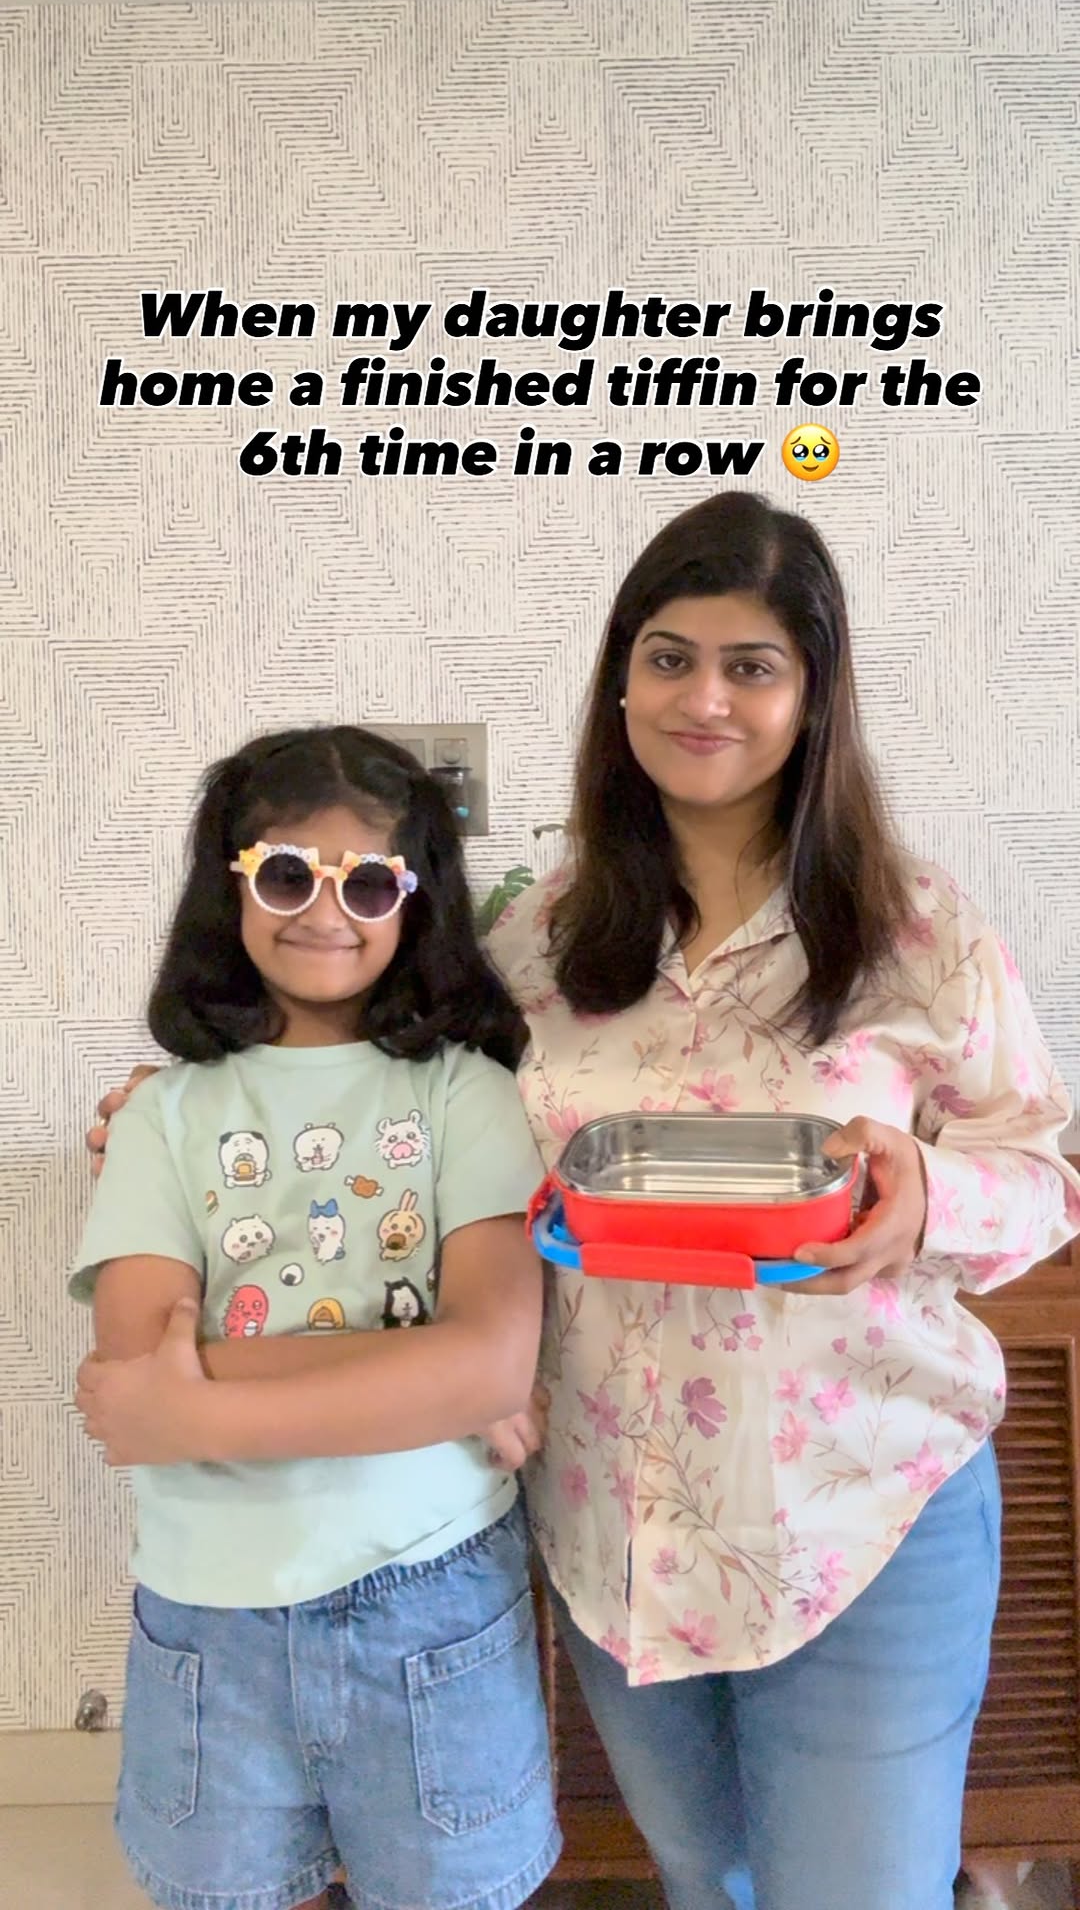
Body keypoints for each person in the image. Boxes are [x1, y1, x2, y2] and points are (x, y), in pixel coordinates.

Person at [84, 494, 1080, 1910]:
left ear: (813, 697)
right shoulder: (534, 934)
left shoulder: (919, 932)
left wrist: (930, 1195)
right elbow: (385, 1092)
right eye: (670, 658)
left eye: (752, 666)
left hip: (858, 1509)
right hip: (615, 1523)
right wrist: (188, 1098)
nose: (704, 700)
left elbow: (1044, 1172)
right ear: (621, 682)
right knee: (702, 1875)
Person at [70, 726, 561, 1910]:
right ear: (232, 885)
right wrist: (424, 1379)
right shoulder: (163, 1116)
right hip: (210, 1613)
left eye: (368, 884)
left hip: (432, 1595)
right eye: (288, 875)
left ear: (415, 900)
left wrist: (204, 1403)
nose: (325, 913)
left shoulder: (469, 1094)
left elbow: (492, 1365)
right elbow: (134, 1369)